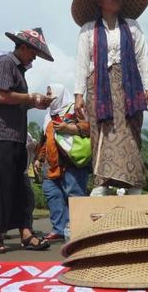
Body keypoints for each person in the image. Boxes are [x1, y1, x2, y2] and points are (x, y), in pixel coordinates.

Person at [72, 0, 148, 196]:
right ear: (99, 0)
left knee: (129, 131)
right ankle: (103, 183)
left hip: (129, 86)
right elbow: (82, 63)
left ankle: (133, 184)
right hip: (98, 88)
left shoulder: (131, 26)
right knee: (102, 130)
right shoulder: (88, 29)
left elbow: (142, 57)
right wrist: (78, 95)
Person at [0, 27, 54, 253]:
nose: (34, 58)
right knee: (0, 187)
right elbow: (1, 95)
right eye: (33, 53)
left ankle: (26, 232)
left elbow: (15, 99)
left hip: (15, 136)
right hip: (0, 134)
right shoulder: (6, 64)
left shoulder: (19, 71)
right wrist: (32, 97)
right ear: (23, 48)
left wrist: (33, 102)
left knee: (21, 187)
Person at [35, 84, 90, 241]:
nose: (47, 96)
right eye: (46, 93)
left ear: (59, 94)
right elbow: (47, 138)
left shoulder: (75, 108)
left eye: (50, 92)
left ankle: (80, 230)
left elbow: (90, 128)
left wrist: (69, 128)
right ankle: (59, 229)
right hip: (52, 164)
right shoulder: (48, 115)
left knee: (74, 194)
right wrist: (40, 158)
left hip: (72, 161)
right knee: (51, 192)